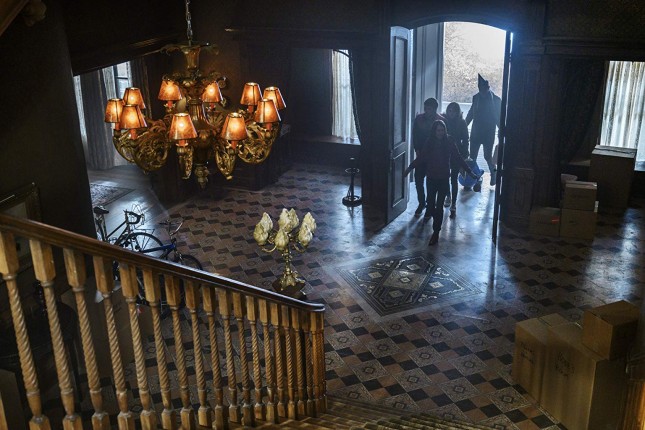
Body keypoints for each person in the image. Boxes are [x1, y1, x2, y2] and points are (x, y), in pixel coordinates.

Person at [404, 120, 479, 246]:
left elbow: (458, 157)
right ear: (434, 131)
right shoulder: (429, 142)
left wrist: (470, 172)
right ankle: (434, 219)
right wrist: (409, 168)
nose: (440, 133)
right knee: (430, 205)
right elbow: (421, 158)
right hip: (431, 179)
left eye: (442, 130)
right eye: (438, 130)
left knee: (439, 207)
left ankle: (436, 232)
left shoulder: (449, 141)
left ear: (445, 130)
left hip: (443, 179)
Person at [466, 74, 501, 187]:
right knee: (473, 157)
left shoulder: (496, 100)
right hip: (476, 132)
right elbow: (471, 113)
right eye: (480, 89)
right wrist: (464, 125)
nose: (482, 92)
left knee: (487, 156)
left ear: (488, 88)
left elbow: (498, 117)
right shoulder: (476, 98)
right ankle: (472, 178)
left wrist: (501, 130)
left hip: (488, 133)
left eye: (484, 89)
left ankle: (493, 173)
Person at [411, 98, 445, 216]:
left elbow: (444, 140)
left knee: (432, 183)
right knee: (418, 180)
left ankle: (430, 206)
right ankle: (421, 203)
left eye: (428, 109)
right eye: (425, 108)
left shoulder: (441, 121)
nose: (426, 111)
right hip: (421, 154)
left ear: (434, 109)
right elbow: (415, 135)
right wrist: (417, 150)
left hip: (434, 157)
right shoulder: (419, 119)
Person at [442, 102, 469, 218]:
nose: (451, 113)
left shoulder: (461, 123)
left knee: (454, 179)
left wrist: (464, 154)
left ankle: (453, 203)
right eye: (449, 110)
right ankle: (448, 196)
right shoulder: (444, 120)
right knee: (445, 177)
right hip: (445, 153)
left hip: (457, 154)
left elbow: (466, 139)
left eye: (453, 111)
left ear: (457, 112)